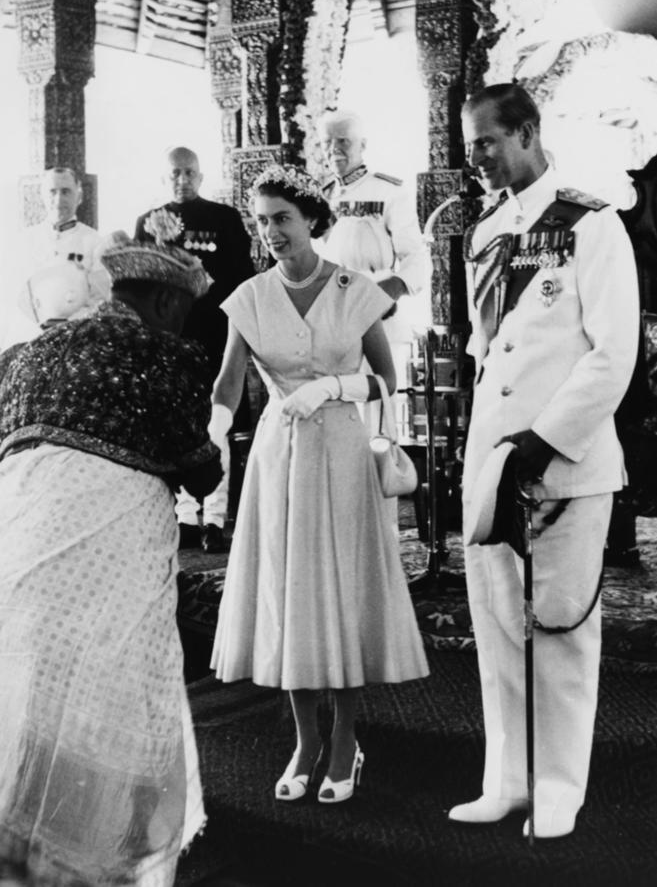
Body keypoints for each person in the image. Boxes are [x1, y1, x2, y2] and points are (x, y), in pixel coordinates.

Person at [0, 235, 223, 886]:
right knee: (112, 686)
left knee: (21, 686)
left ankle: (14, 849)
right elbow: (200, 470)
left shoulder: (18, 357)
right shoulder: (167, 354)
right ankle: (105, 853)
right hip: (105, 542)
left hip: (12, 533)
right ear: (168, 302)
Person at [450, 83, 639, 838]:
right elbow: (484, 353)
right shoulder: (483, 233)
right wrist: (490, 449)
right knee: (496, 625)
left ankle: (559, 789)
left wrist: (542, 441)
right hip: (494, 457)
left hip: (565, 460)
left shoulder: (591, 226)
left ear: (526, 132)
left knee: (558, 627)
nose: (475, 159)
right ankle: (508, 779)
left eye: (485, 142)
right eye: (469, 145)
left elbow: (611, 353)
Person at [209, 164, 429, 804]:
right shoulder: (248, 296)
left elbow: (387, 381)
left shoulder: (353, 288)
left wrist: (331, 386)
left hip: (341, 450)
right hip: (280, 457)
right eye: (262, 222)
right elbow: (229, 381)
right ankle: (305, 741)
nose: (272, 232)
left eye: (282, 218)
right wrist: (214, 433)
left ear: (311, 220)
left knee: (340, 594)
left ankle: (344, 741)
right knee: (291, 595)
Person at [135, 146, 256, 552]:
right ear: (164, 178)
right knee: (178, 424)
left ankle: (216, 518)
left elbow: (243, 278)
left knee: (217, 424)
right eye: (175, 174)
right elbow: (141, 286)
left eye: (189, 173)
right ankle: (186, 516)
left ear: (201, 177)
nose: (182, 180)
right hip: (171, 340)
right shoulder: (148, 222)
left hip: (217, 336)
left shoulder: (223, 219)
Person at [317, 109, 430, 402]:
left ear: (362, 145)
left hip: (377, 314)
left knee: (378, 418)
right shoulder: (320, 196)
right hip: (331, 319)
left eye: (343, 141)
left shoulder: (388, 191)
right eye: (327, 142)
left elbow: (416, 259)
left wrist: (387, 294)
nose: (334, 149)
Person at [1, 166, 110, 349]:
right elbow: (12, 293)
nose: (59, 200)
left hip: (74, 337)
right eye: (52, 192)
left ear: (79, 196)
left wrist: (67, 325)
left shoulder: (94, 241)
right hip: (29, 335)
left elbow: (100, 298)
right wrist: (38, 325)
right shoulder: (24, 241)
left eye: (66, 192)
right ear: (42, 197)